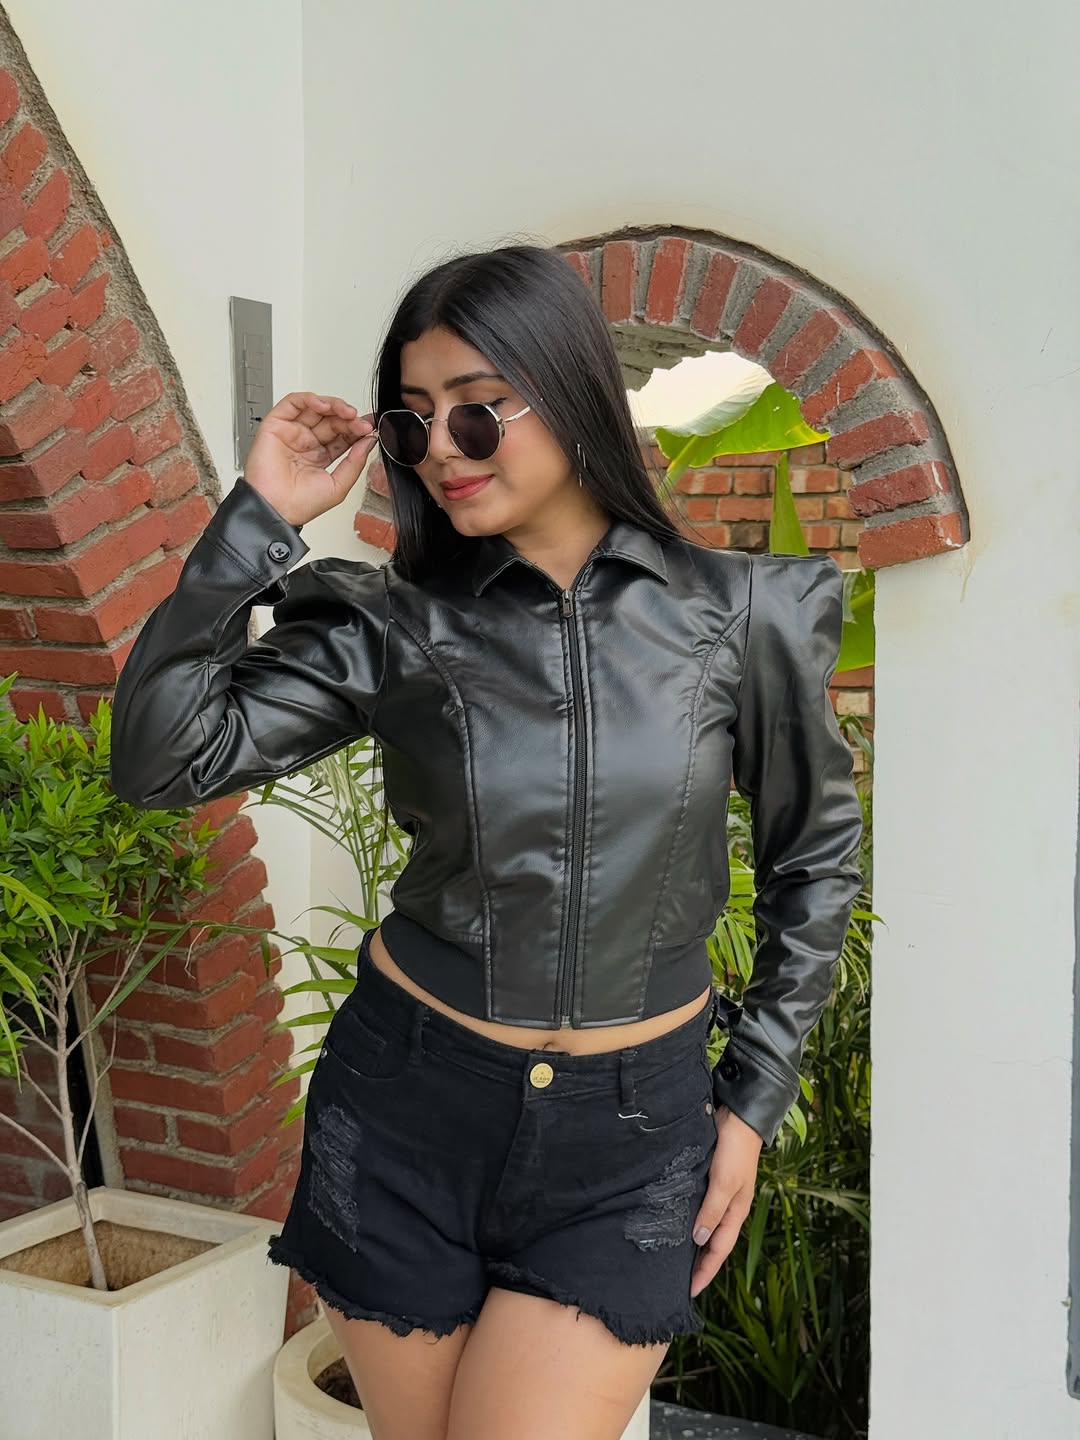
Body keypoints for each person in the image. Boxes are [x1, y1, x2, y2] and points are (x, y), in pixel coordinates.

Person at [109, 243, 863, 1440]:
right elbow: (162, 761)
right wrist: (256, 522)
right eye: (411, 426)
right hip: (409, 1104)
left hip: (631, 1134)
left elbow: (811, 860)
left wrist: (752, 1100)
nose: (442, 453)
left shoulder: (740, 612)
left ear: (569, 390)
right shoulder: (391, 623)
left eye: (474, 412)